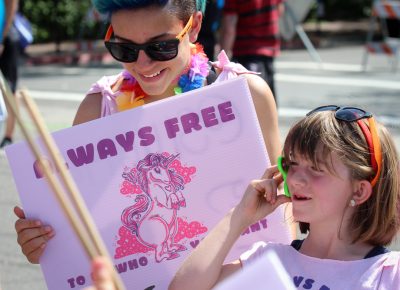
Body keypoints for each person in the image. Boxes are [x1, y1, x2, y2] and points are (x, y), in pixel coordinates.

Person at [13, 0, 289, 268]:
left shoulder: (247, 95)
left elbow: (284, 211)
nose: (143, 64)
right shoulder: (98, 110)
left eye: (161, 46)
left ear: (194, 27)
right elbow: (74, 231)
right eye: (125, 49)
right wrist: (46, 245)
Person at [168, 105, 400, 289]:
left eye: (316, 169)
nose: (295, 179)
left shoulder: (389, 273)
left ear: (359, 191)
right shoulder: (268, 259)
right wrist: (238, 216)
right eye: (291, 164)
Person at [220, 0, 284, 102]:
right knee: (268, 101)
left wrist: (222, 59)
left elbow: (229, 26)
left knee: (250, 104)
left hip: (246, 52)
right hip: (269, 49)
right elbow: (279, 10)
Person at [0, 0, 19, 149]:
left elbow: (11, 6)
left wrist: (2, 38)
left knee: (9, 90)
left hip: (5, 39)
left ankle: (8, 135)